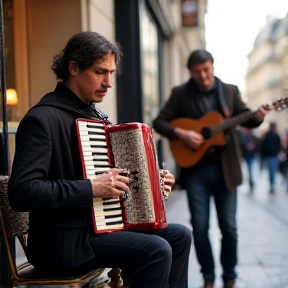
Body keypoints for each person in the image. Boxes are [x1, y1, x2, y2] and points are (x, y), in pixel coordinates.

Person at [7, 31, 192, 288]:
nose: (108, 83)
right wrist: (91, 188)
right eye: (100, 72)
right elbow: (21, 192)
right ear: (73, 68)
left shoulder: (96, 117)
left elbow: (114, 183)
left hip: (97, 230)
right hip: (63, 244)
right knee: (156, 250)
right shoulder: (42, 120)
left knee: (180, 235)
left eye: (111, 73)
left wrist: (150, 187)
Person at [152, 49, 269, 288]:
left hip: (226, 169)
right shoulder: (180, 94)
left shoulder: (230, 91)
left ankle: (229, 276)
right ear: (190, 72)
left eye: (206, 70)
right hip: (196, 172)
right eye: (197, 72)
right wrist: (182, 133)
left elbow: (246, 117)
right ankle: (207, 276)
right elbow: (159, 122)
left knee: (229, 227)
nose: (203, 76)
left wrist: (258, 117)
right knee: (200, 227)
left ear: (212, 67)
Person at [260, 122, 281, 193]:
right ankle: (272, 184)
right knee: (272, 171)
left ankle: (271, 184)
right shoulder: (275, 135)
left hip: (269, 155)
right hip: (272, 155)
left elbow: (263, 145)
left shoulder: (267, 135)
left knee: (271, 171)